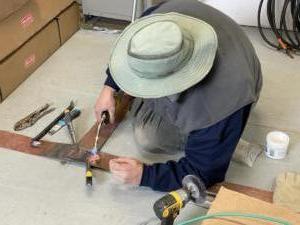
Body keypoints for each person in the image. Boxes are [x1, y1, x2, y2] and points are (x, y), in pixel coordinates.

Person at [92, 0, 262, 192]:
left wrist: (144, 176)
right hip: (236, 56)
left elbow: (202, 173)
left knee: (149, 136)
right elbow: (132, 51)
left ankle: (223, 143)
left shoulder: (216, 103)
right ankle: (219, 142)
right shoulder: (158, 24)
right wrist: (109, 89)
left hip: (238, 96)